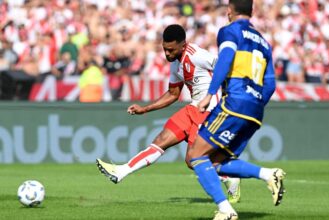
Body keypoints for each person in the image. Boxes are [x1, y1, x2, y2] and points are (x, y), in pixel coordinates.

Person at [96, 24, 241, 203]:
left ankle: (228, 176)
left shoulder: (198, 55)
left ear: (183, 45)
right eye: (165, 49)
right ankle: (121, 171)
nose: (167, 54)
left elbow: (225, 66)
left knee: (192, 160)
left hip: (208, 110)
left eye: (171, 50)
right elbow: (173, 94)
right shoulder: (175, 63)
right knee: (160, 141)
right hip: (192, 108)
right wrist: (145, 108)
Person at [187, 1, 286, 219]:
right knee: (216, 163)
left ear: (229, 10)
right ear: (251, 12)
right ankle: (269, 174)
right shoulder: (264, 42)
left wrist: (210, 93)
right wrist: (255, 104)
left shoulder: (229, 31)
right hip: (255, 109)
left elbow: (226, 58)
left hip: (235, 102)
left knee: (195, 155)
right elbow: (270, 84)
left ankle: (226, 210)